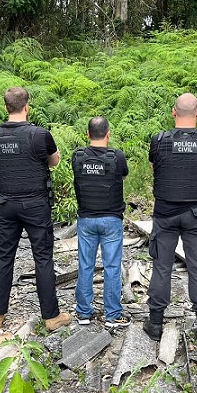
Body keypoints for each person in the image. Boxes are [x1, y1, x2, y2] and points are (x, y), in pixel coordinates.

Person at [0, 87, 71, 332]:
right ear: (27, 107)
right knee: (43, 258)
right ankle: (51, 316)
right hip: (35, 203)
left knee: (4, 258)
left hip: (7, 204)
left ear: (6, 107)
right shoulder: (39, 134)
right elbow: (54, 161)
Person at [143, 93, 197, 343]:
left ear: (173, 112)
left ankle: (155, 324)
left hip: (165, 214)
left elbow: (156, 167)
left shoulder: (159, 141)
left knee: (161, 267)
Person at [72, 117, 130, 328]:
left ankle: (84, 313)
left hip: (86, 220)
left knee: (85, 266)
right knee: (112, 267)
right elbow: (123, 176)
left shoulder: (77, 157)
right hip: (111, 220)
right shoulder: (117, 157)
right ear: (108, 134)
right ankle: (113, 315)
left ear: (88, 134)